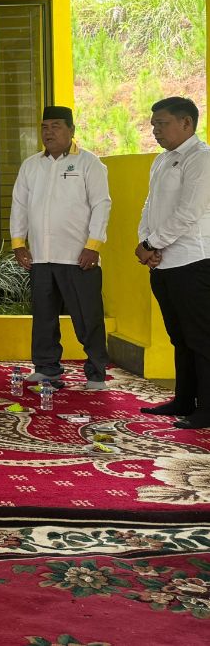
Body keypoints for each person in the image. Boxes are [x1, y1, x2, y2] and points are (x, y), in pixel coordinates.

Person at [11, 106, 112, 390]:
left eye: (56, 126)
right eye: (44, 127)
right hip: (40, 256)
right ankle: (47, 368)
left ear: (71, 130)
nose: (49, 132)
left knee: (88, 317)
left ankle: (96, 373)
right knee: (44, 317)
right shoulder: (31, 165)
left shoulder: (89, 163)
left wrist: (93, 245)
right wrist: (19, 243)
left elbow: (102, 205)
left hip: (78, 256)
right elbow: (19, 205)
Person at [136, 96, 210, 430]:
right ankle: (184, 400)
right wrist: (145, 243)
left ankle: (207, 408)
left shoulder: (202, 158)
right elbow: (149, 206)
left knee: (201, 338)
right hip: (163, 263)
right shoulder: (162, 160)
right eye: (153, 124)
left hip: (194, 261)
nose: (155, 130)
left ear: (186, 123)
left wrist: (151, 244)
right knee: (179, 336)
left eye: (162, 124)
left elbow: (188, 212)